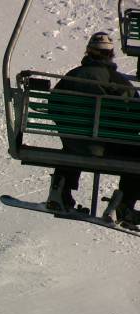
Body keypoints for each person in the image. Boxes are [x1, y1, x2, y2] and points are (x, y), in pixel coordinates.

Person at [46, 31, 140, 224]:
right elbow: (135, 116)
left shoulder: (72, 76)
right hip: (108, 147)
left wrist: (72, 127)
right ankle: (124, 205)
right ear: (111, 54)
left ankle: (59, 193)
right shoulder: (117, 81)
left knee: (71, 144)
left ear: (88, 52)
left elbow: (53, 107)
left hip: (76, 144)